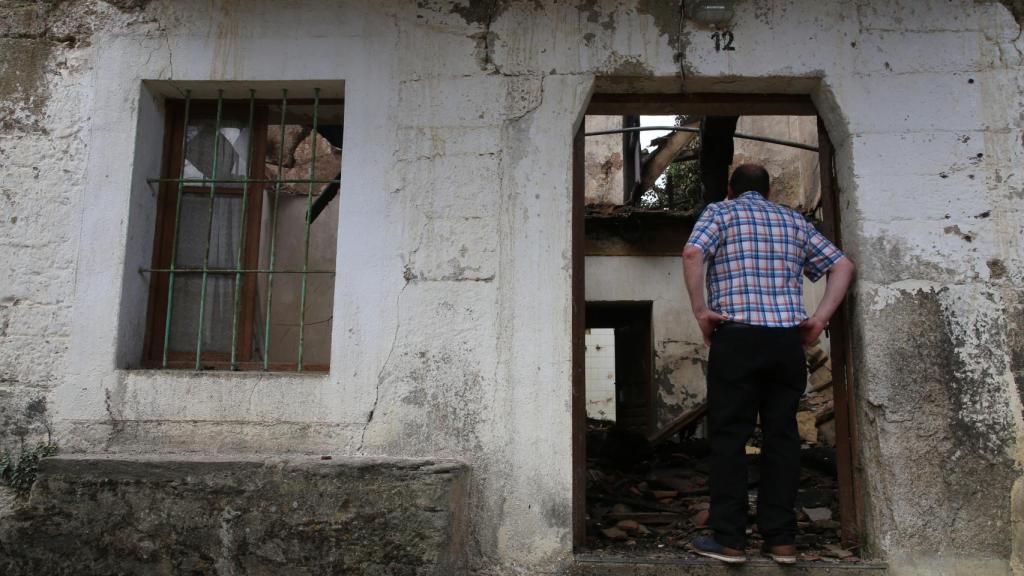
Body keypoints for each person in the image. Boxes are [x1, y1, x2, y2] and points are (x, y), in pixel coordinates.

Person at [681, 163, 855, 565]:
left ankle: (729, 540)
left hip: (736, 336)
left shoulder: (720, 212)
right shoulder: (793, 220)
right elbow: (842, 266)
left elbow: (693, 252)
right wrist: (819, 319)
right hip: (784, 342)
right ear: (768, 190)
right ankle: (781, 540)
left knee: (729, 437)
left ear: (730, 189)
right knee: (782, 437)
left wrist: (701, 312)